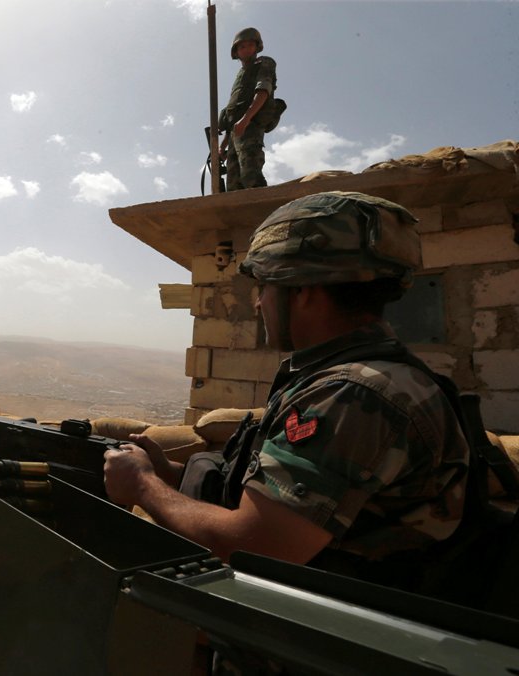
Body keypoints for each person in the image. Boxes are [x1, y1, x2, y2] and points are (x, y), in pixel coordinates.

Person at [104, 191, 470, 589]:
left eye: (263, 285)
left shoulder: (353, 395)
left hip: (317, 635)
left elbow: (248, 546)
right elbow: (282, 505)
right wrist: (170, 476)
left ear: (303, 289)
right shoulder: (349, 379)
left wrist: (142, 485)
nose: (259, 304)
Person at [219, 27, 278, 191]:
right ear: (236, 52)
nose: (246, 50)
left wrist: (246, 120)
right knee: (233, 186)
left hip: (250, 126)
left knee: (251, 177)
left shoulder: (264, 63)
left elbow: (263, 92)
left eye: (250, 45)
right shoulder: (240, 75)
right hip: (235, 132)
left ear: (257, 47)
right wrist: (223, 144)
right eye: (241, 47)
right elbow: (233, 113)